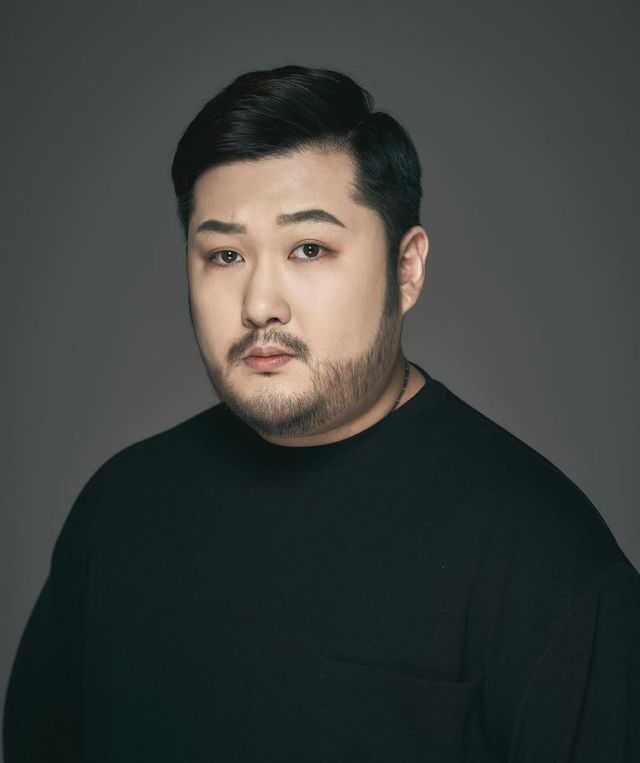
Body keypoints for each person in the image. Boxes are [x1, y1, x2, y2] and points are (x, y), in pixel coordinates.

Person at [4, 64, 639, 762]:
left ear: (406, 268)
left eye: (309, 249)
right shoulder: (119, 508)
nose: (259, 304)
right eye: (224, 254)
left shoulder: (544, 559)